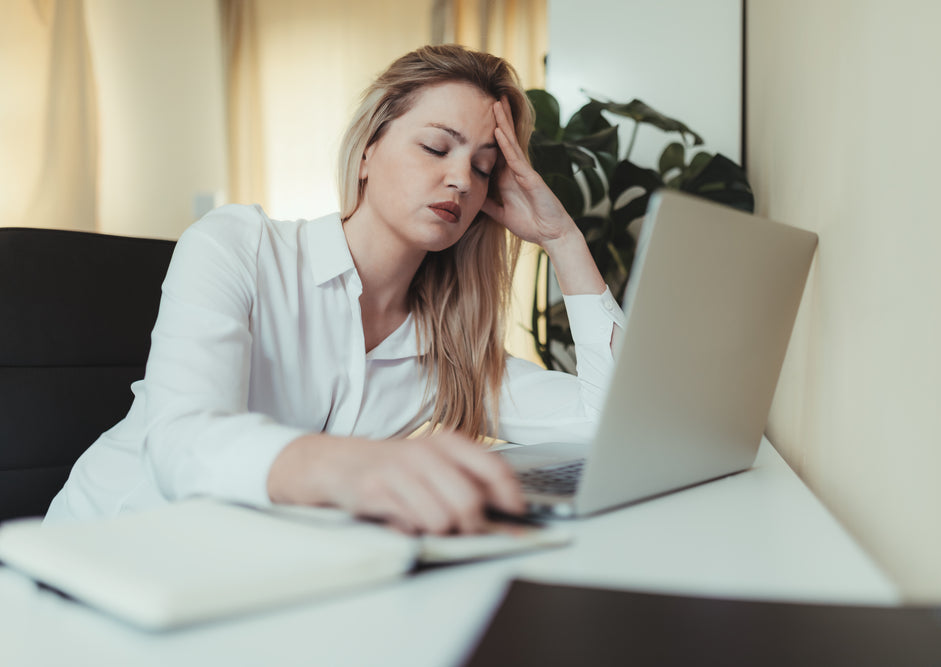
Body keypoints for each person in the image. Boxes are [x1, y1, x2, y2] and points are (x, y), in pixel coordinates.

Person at [46, 44, 625, 534]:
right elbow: (182, 444)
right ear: (369, 149)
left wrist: (563, 239)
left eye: (482, 166)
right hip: (101, 554)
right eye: (435, 147)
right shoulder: (238, 246)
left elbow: (610, 423)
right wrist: (351, 468)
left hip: (245, 578)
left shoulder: (445, 348)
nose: (459, 179)